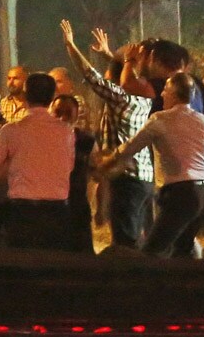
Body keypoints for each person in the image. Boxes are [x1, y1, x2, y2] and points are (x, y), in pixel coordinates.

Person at [101, 73, 204, 258]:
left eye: (166, 90)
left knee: (152, 251)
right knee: (182, 251)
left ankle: (149, 285)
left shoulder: (160, 120)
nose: (162, 94)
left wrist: (109, 160)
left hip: (180, 193)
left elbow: (130, 147)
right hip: (201, 194)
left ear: (175, 94)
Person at [62, 21, 154, 249]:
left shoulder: (121, 99)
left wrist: (71, 45)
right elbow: (122, 78)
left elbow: (92, 76)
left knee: (125, 242)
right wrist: (110, 55)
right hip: (143, 178)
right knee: (138, 238)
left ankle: (127, 280)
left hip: (127, 179)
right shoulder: (143, 99)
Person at [0, 74, 75, 251]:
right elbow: (69, 167)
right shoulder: (67, 132)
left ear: (26, 95)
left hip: (22, 213)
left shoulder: (11, 130)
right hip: (58, 212)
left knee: (20, 267)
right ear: (52, 98)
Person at [51, 94, 96, 253]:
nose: (62, 117)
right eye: (58, 112)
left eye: (68, 113)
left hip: (77, 205)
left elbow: (96, 172)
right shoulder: (44, 139)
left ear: (76, 115)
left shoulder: (86, 141)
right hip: (50, 206)